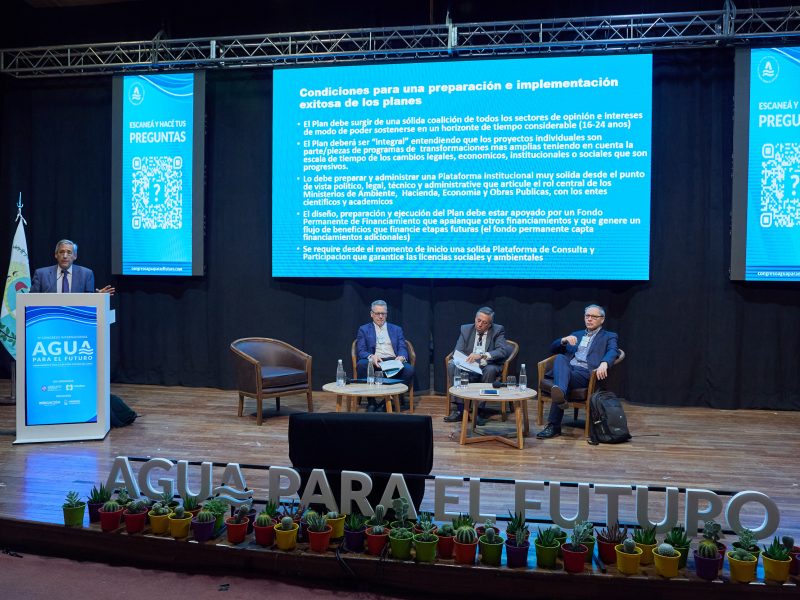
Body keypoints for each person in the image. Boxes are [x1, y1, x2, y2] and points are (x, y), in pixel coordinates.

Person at [536, 304, 619, 439]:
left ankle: (554, 425)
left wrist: (604, 363)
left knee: (562, 380)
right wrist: (563, 340)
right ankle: (561, 394)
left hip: (585, 373)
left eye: (594, 317)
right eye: (587, 316)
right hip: (568, 369)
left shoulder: (609, 336)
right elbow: (552, 348)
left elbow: (613, 351)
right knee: (561, 358)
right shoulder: (577, 334)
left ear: (602, 319)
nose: (589, 319)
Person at [444, 306, 510, 424]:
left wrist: (482, 355)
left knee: (490, 370)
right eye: (478, 320)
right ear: (475, 319)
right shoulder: (465, 329)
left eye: (484, 323)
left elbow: (502, 351)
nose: (479, 325)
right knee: (452, 365)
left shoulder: (497, 330)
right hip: (469, 364)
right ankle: (460, 410)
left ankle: (479, 411)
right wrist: (466, 361)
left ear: (489, 324)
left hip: (487, 364)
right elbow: (457, 351)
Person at [355, 300, 415, 412]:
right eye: (377, 313)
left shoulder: (396, 329)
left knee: (409, 369)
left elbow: (402, 346)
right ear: (371, 314)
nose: (381, 316)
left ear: (386, 314)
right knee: (361, 365)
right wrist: (371, 356)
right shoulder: (364, 329)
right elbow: (361, 350)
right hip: (375, 360)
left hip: (392, 360)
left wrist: (402, 356)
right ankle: (371, 401)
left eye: (383, 313)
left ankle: (388, 400)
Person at [30, 239, 115, 295]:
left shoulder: (86, 274)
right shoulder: (41, 274)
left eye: (69, 252)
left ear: (75, 256)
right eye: (61, 252)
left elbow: (88, 301)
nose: (65, 256)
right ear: (56, 255)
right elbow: (31, 300)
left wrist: (98, 296)